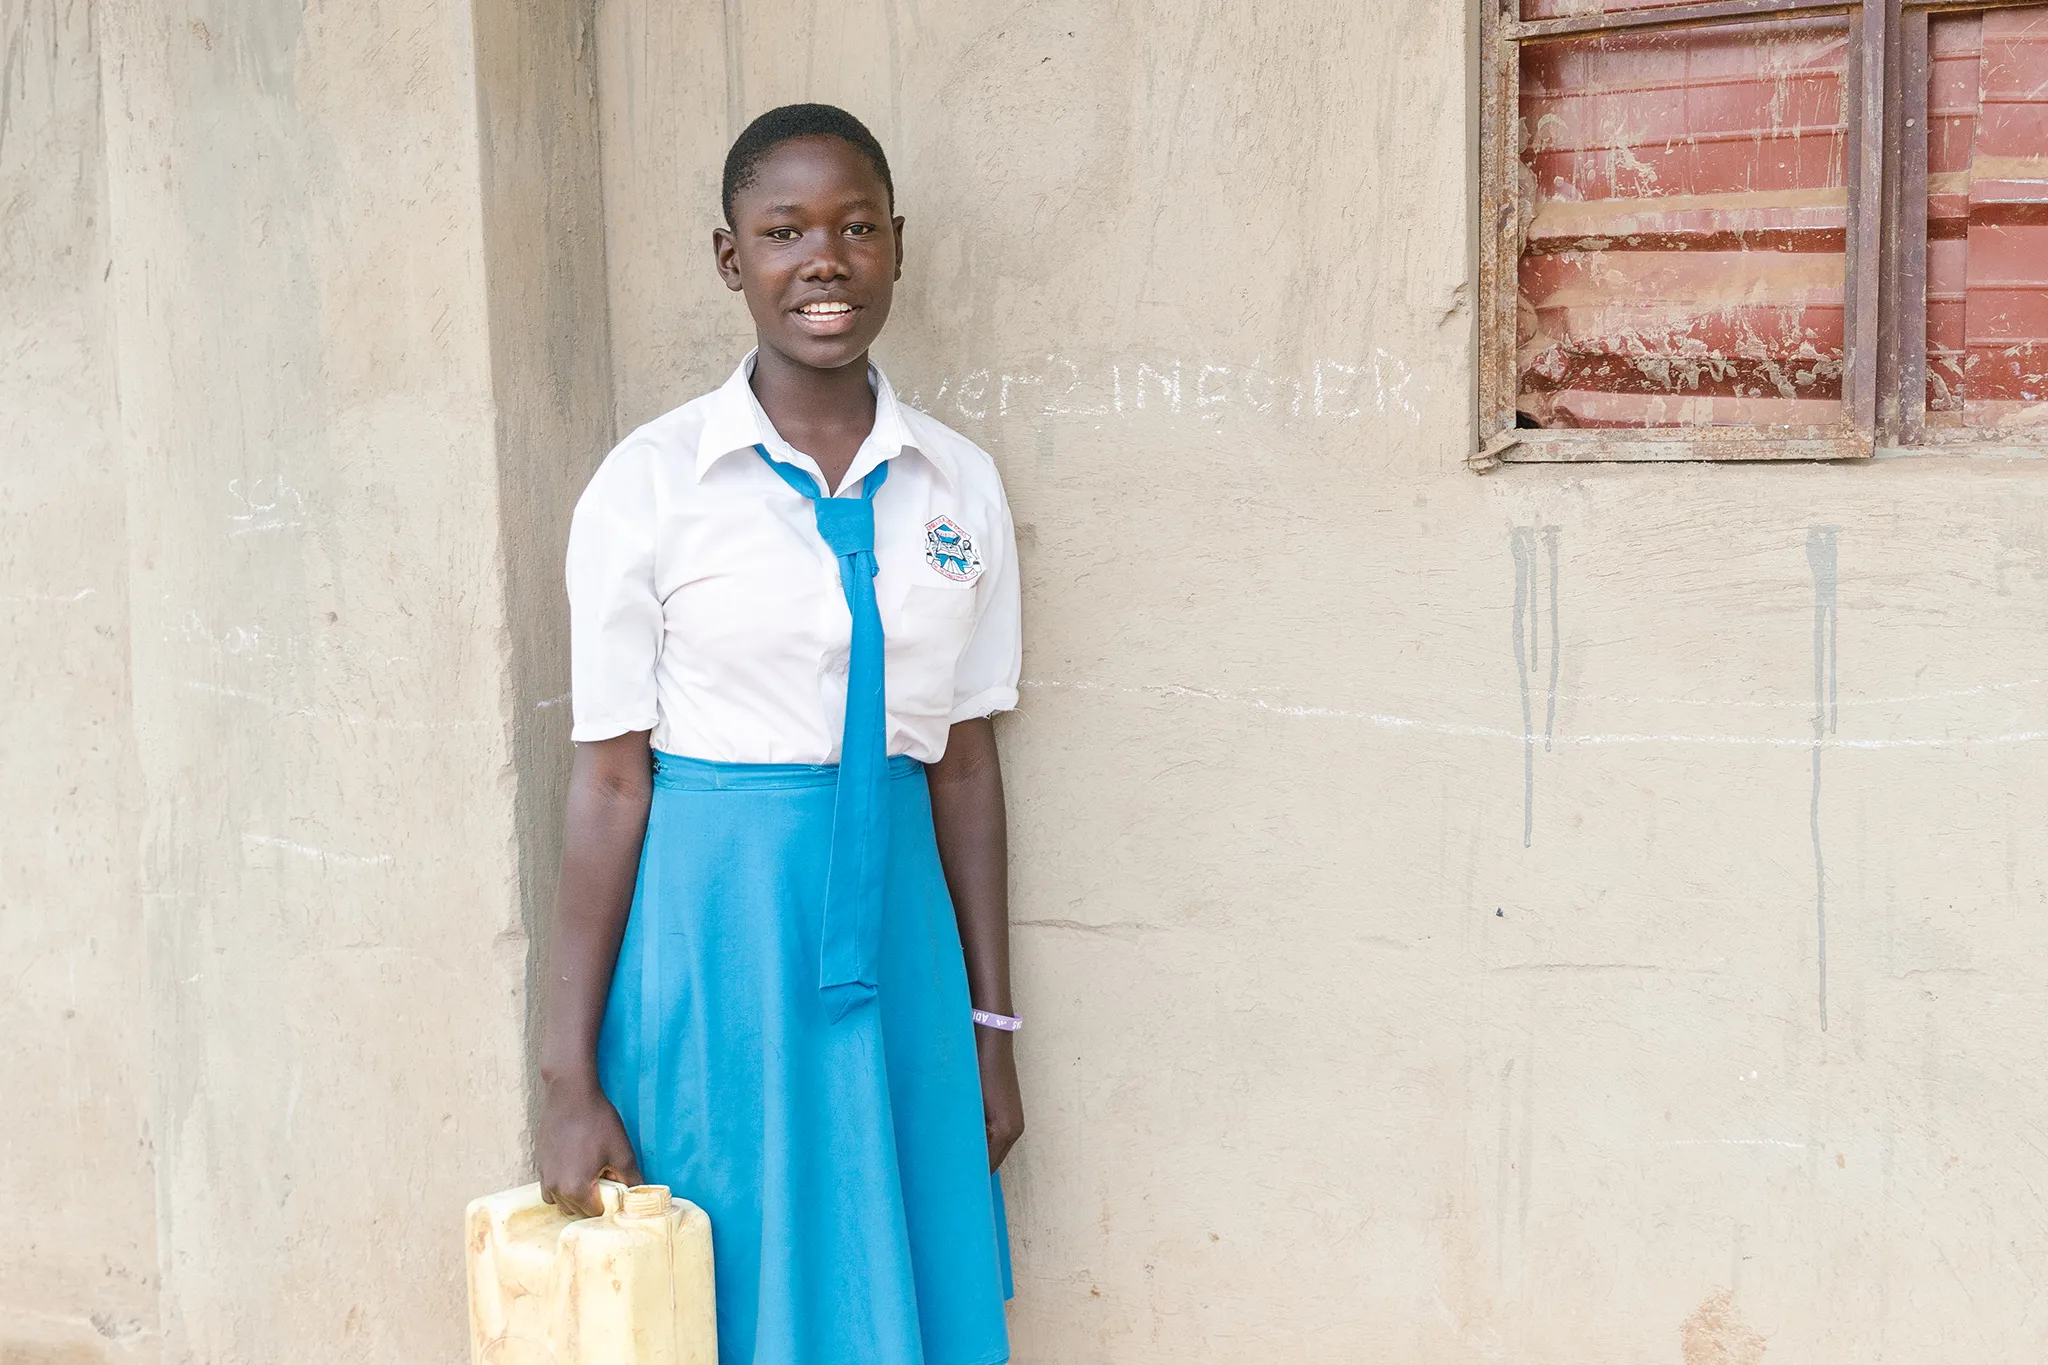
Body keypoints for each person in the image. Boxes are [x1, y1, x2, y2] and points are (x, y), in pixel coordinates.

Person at [535, 103, 1023, 1365]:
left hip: (898, 934)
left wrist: (991, 1030)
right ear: (728, 256)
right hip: (719, 937)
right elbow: (605, 784)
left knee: (898, 1263)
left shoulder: (957, 485)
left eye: (857, 228)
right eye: (784, 230)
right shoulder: (648, 486)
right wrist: (564, 1076)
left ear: (897, 248)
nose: (825, 259)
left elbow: (963, 767)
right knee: (736, 1271)